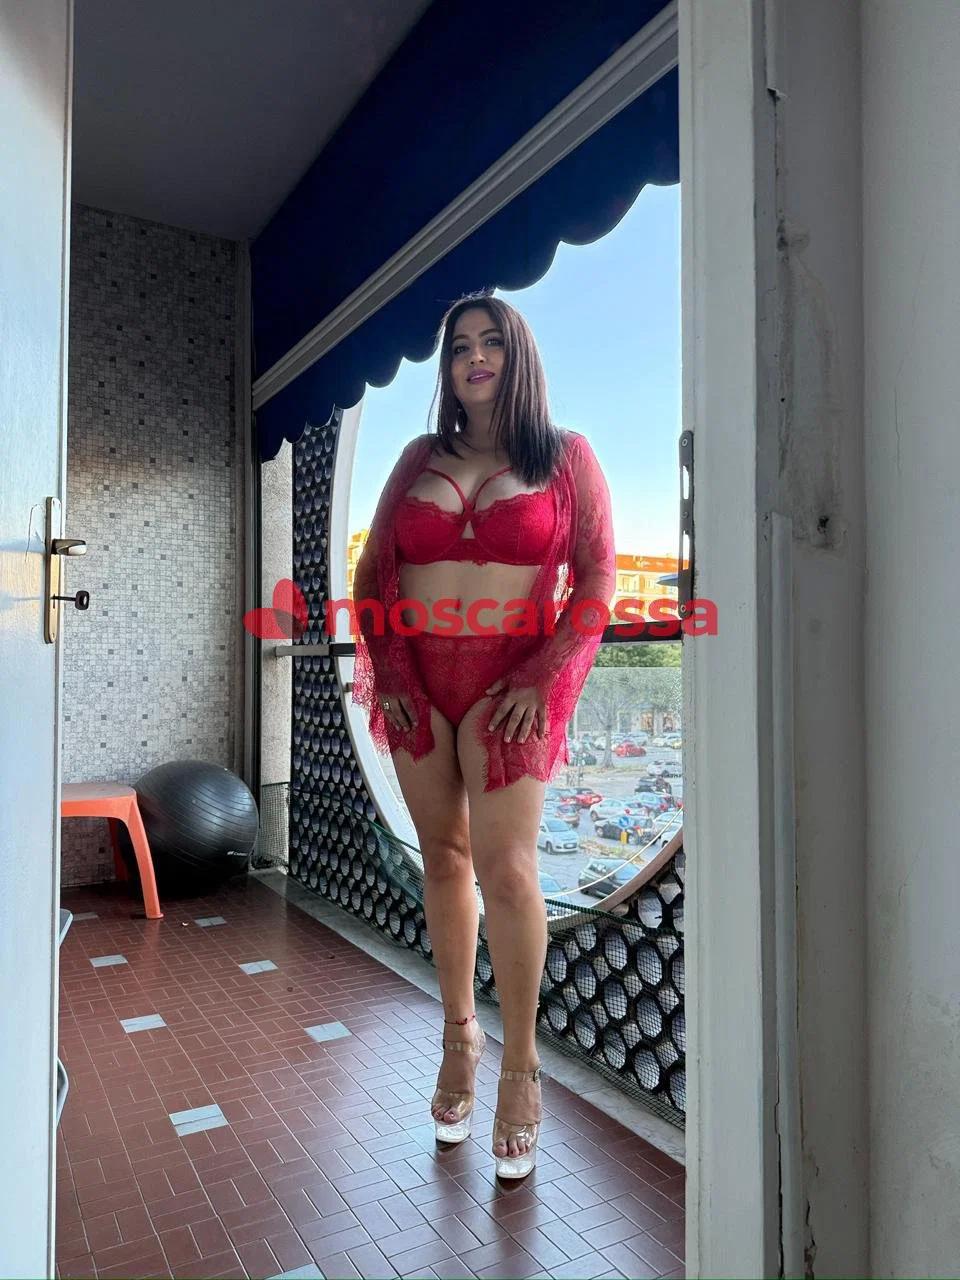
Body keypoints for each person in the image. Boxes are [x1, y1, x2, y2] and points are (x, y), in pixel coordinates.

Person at [351, 292, 615, 1180]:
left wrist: (543, 677)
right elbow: (371, 572)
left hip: (512, 691)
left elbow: (598, 581)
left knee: (508, 869)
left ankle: (522, 1066)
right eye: (460, 344)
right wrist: (392, 674)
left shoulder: (567, 457)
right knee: (442, 861)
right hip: (419, 685)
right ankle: (459, 1037)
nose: (475, 357)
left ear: (518, 355)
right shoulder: (417, 457)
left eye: (491, 342)